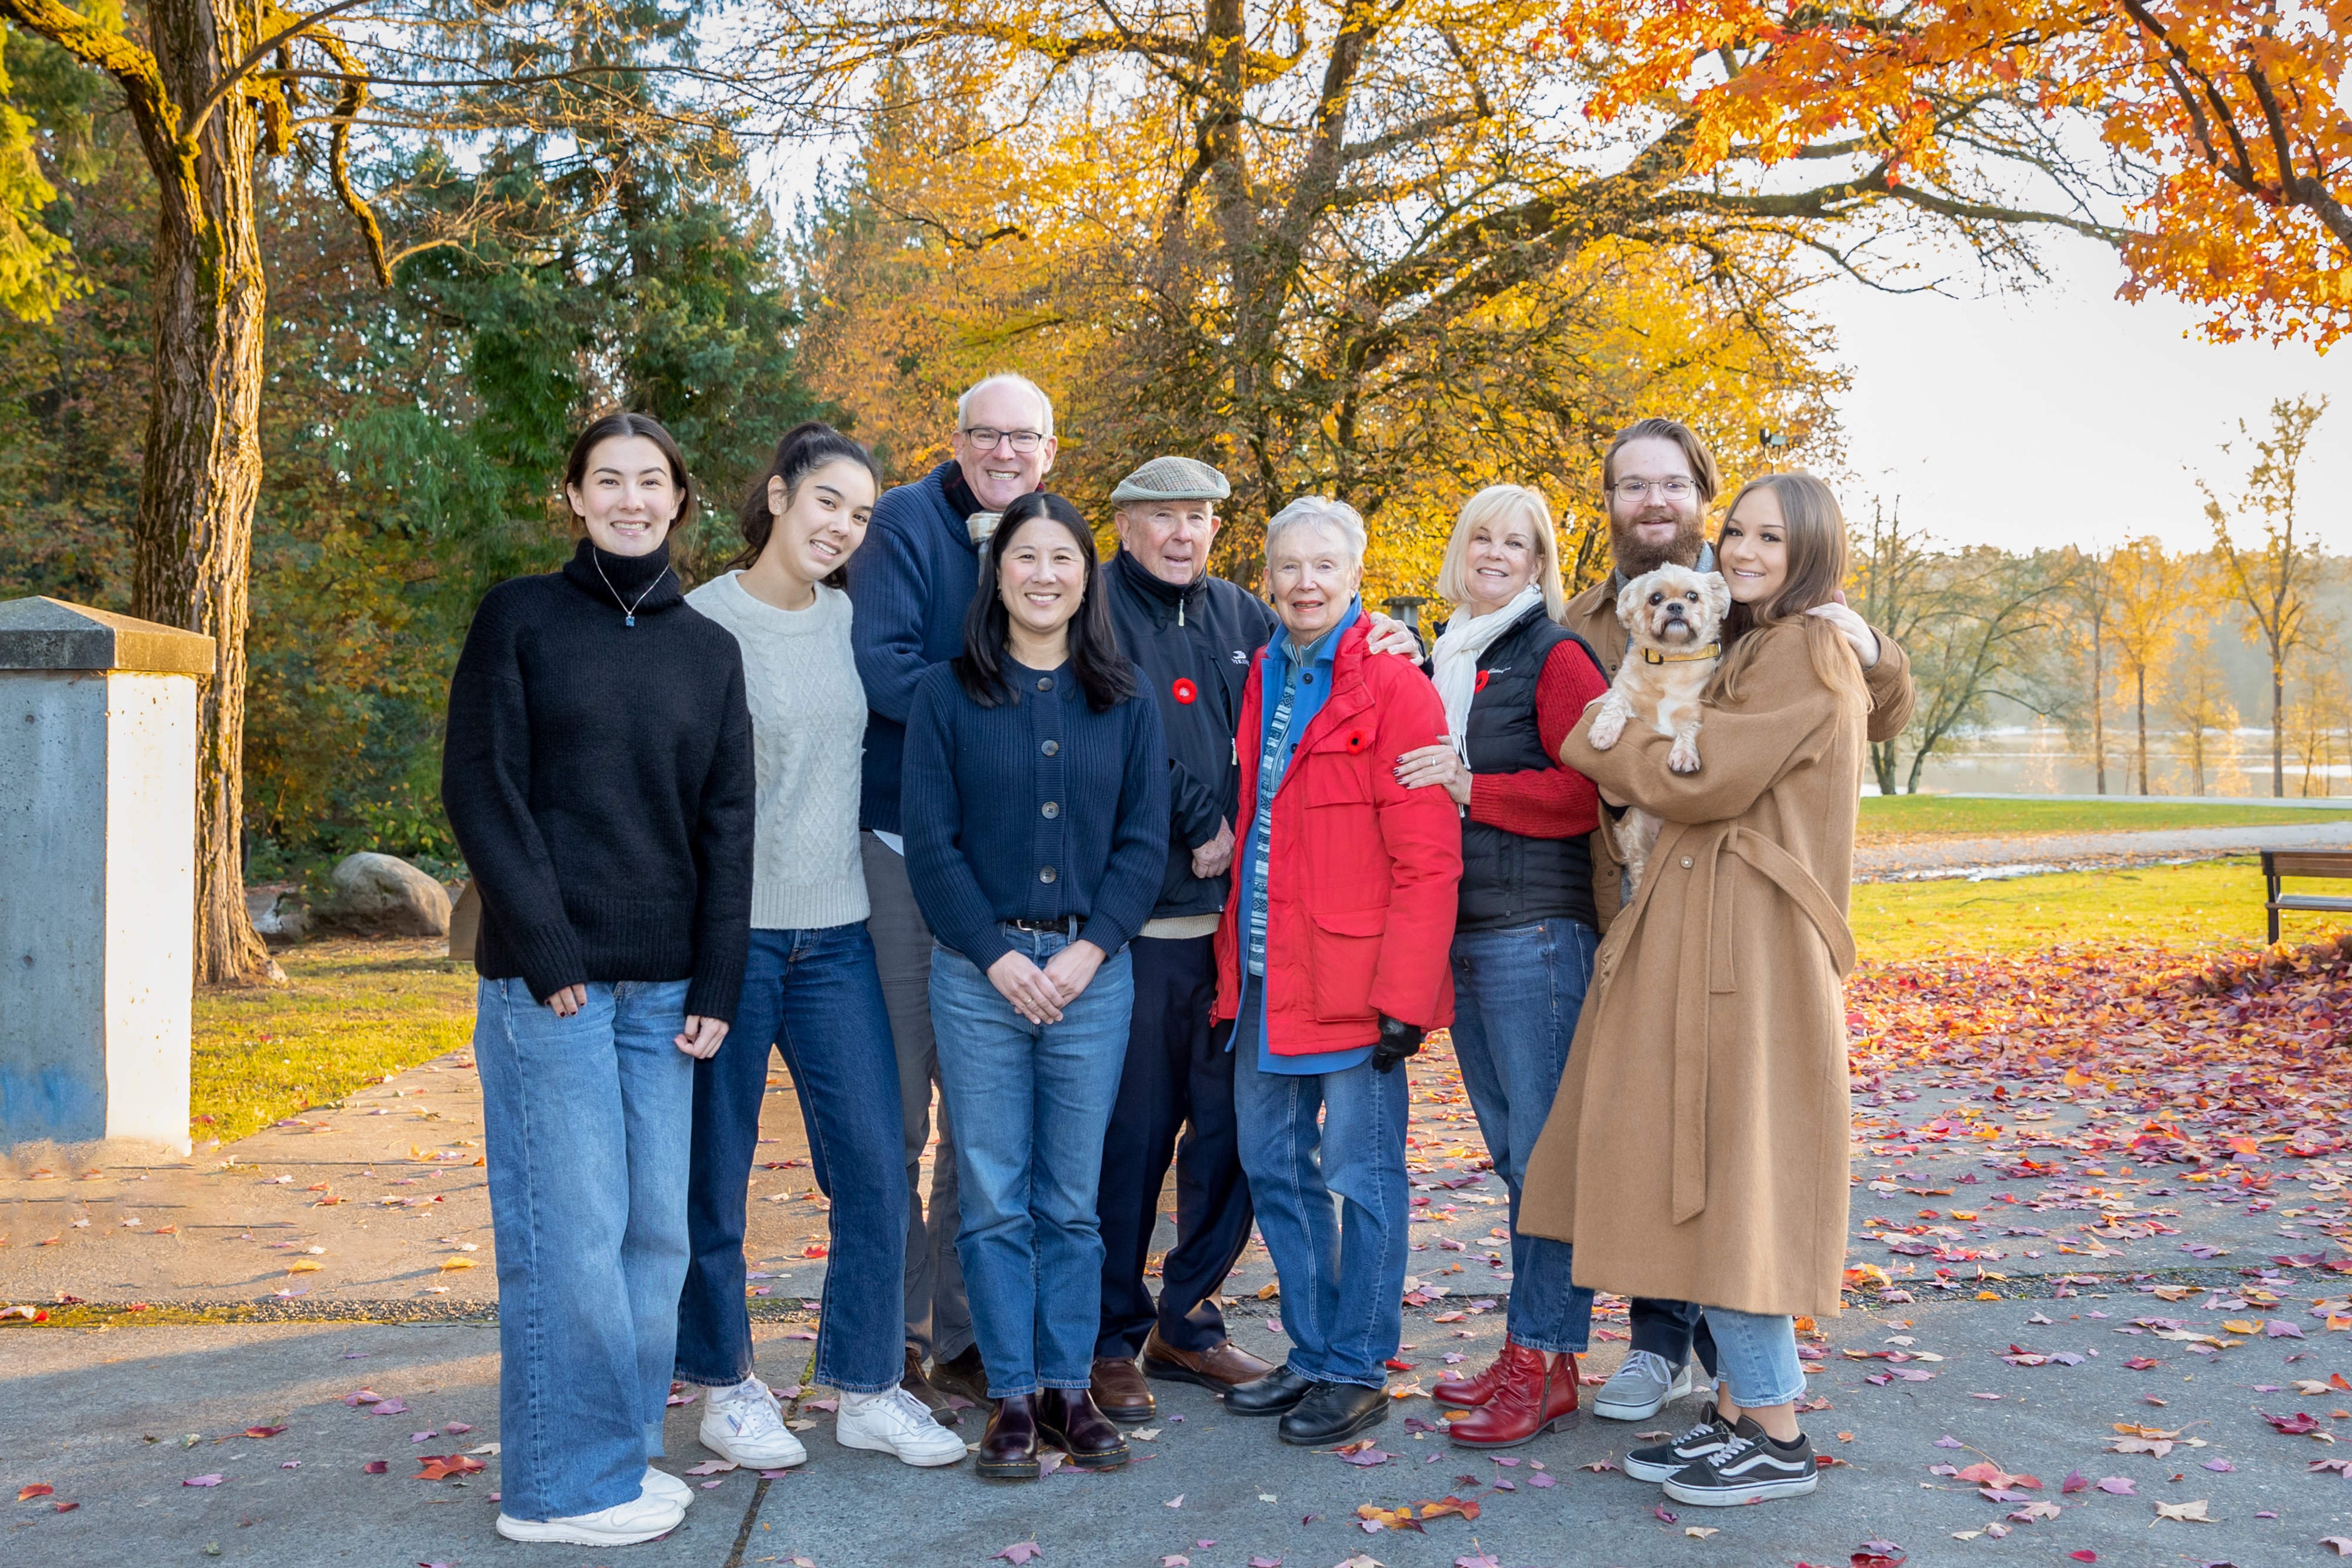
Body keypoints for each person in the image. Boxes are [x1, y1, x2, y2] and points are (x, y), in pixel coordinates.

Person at [1522, 471, 1901, 1507]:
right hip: (1708, 928)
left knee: (1730, 1178)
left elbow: (1706, 777)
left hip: (1750, 944)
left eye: (1770, 539)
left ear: (1810, 553)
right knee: (1700, 1168)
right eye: (1736, 532)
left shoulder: (1804, 645)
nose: (1741, 550)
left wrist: (1590, 740)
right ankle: (1738, 1410)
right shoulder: (1763, 641)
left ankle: (1774, 1431)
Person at [442, 411, 753, 1546]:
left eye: (651, 482)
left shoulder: (706, 649)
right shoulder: (520, 617)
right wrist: (547, 950)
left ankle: (613, 1462)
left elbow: (729, 826)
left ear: (680, 499)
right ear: (571, 495)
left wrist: (717, 980)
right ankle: (559, 1492)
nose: (631, 499)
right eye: (607, 480)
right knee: (569, 1238)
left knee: (652, 1239)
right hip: (552, 989)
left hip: (668, 996)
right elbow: (483, 789)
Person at [674, 422, 968, 1473]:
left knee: (877, 1167)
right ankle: (721, 1381)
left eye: (860, 512)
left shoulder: (851, 623)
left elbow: (965, 671)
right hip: (733, 943)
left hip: (838, 934)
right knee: (718, 1171)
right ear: (779, 495)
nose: (842, 526)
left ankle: (866, 1384)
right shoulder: (700, 621)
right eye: (827, 502)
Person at [902, 492, 1171, 1480]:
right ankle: (1010, 1395)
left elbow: (1144, 846)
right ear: (999, 573)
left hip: (1092, 977)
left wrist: (1087, 952)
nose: (1045, 573)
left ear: (1087, 577)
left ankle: (1069, 1385)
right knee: (993, 1195)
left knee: (1071, 1200)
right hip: (981, 978)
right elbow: (931, 848)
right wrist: (997, 954)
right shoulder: (947, 694)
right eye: (1027, 556)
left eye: (1064, 557)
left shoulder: (1124, 696)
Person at [1214, 497, 1462, 1449]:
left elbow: (1428, 856)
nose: (1306, 583)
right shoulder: (1265, 671)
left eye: (1325, 566)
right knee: (1275, 1168)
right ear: (1268, 577)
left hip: (1359, 989)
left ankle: (1357, 1365)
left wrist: (1406, 997)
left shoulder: (1397, 685)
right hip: (1272, 980)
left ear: (1356, 573)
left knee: (1363, 1179)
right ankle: (1314, 1349)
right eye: (1289, 567)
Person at [851, 372, 1059, 1414]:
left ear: (1050, 451)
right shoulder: (900, 526)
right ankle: (885, 1344)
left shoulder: (1051, 544)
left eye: (1025, 437)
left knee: (987, 1119)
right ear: (960, 439)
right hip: (901, 851)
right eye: (988, 435)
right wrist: (1004, 697)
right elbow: (882, 670)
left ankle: (967, 1336)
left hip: (1006, 873)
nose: (1006, 452)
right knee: (901, 1106)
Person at [1391, 484, 1612, 1446]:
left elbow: (1590, 789)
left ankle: (1543, 1359)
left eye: (1516, 542)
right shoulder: (1451, 649)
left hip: (1537, 934)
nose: (1495, 552)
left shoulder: (1555, 654)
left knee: (1545, 1162)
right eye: (1482, 535)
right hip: (1468, 933)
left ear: (1538, 561)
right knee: (1515, 1157)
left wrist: (1470, 784)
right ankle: (1539, 1355)